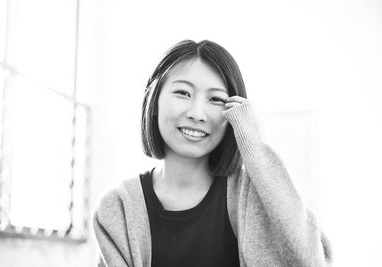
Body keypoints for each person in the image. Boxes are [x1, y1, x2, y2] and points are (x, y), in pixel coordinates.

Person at [92, 40, 333, 267]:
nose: (197, 113)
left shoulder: (250, 193)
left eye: (216, 99)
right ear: (153, 102)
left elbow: (311, 261)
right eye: (183, 93)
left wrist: (256, 149)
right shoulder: (117, 207)